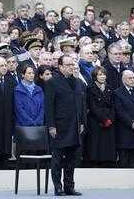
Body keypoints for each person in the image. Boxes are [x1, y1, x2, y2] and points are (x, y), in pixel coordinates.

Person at [45, 55, 85, 196]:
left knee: (71, 159)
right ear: (60, 66)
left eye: (72, 64)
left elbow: (81, 104)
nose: (71, 67)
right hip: (59, 127)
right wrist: (51, 126)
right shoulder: (52, 82)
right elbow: (49, 106)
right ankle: (58, 187)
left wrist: (81, 122)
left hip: (74, 126)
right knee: (57, 160)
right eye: (68, 65)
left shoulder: (77, 82)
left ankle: (69, 186)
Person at [113, 70, 134, 168]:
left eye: (133, 78)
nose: (132, 80)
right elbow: (119, 111)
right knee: (124, 161)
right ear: (123, 80)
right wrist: (131, 123)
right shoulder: (117, 93)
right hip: (125, 132)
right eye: (129, 78)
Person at [84, 66, 116, 164]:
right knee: (95, 144)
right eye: (100, 74)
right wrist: (104, 119)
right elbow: (93, 107)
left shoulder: (109, 88)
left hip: (109, 121)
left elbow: (113, 106)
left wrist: (110, 119)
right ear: (95, 76)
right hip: (96, 120)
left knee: (107, 145)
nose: (103, 77)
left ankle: (107, 162)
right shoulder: (90, 88)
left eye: (104, 74)